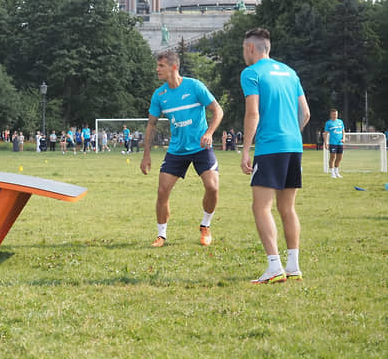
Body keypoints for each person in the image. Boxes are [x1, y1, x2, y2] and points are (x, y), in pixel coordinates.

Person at [240, 28, 310, 284]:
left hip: (270, 147)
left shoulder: (251, 73)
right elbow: (306, 113)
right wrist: (291, 132)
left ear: (251, 48)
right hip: (294, 145)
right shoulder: (290, 72)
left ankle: (274, 266)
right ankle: (293, 267)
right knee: (287, 208)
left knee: (261, 207)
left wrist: (246, 149)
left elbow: (253, 114)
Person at [140, 51, 223, 248]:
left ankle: (205, 226)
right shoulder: (159, 95)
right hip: (177, 150)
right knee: (162, 191)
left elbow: (218, 111)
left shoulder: (194, 87)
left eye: (161, 66)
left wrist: (209, 133)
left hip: (201, 147)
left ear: (174, 67)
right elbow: (151, 125)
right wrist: (146, 155)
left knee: (212, 187)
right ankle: (161, 235)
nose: (157, 69)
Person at [323, 109, 345, 178]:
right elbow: (326, 134)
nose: (335, 116)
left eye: (336, 114)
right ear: (331, 115)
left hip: (340, 143)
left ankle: (336, 171)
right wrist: (326, 143)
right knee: (333, 157)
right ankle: (332, 173)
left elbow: (343, 131)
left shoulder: (340, 122)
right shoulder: (328, 123)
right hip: (332, 143)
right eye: (334, 114)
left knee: (340, 157)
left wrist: (344, 138)